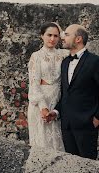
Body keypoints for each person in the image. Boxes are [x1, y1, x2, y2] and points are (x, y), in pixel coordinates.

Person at [47, 24, 99, 159]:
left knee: (88, 169)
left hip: (87, 125)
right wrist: (55, 111)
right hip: (66, 125)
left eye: (67, 35)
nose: (62, 37)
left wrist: (98, 118)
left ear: (78, 39)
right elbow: (66, 94)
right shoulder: (65, 62)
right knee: (71, 169)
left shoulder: (95, 61)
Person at [27, 22, 69, 150]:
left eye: (56, 36)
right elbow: (34, 83)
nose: (52, 39)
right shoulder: (36, 56)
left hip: (57, 102)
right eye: (49, 35)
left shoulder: (64, 54)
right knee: (42, 145)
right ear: (42, 36)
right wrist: (43, 107)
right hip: (41, 102)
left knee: (59, 144)